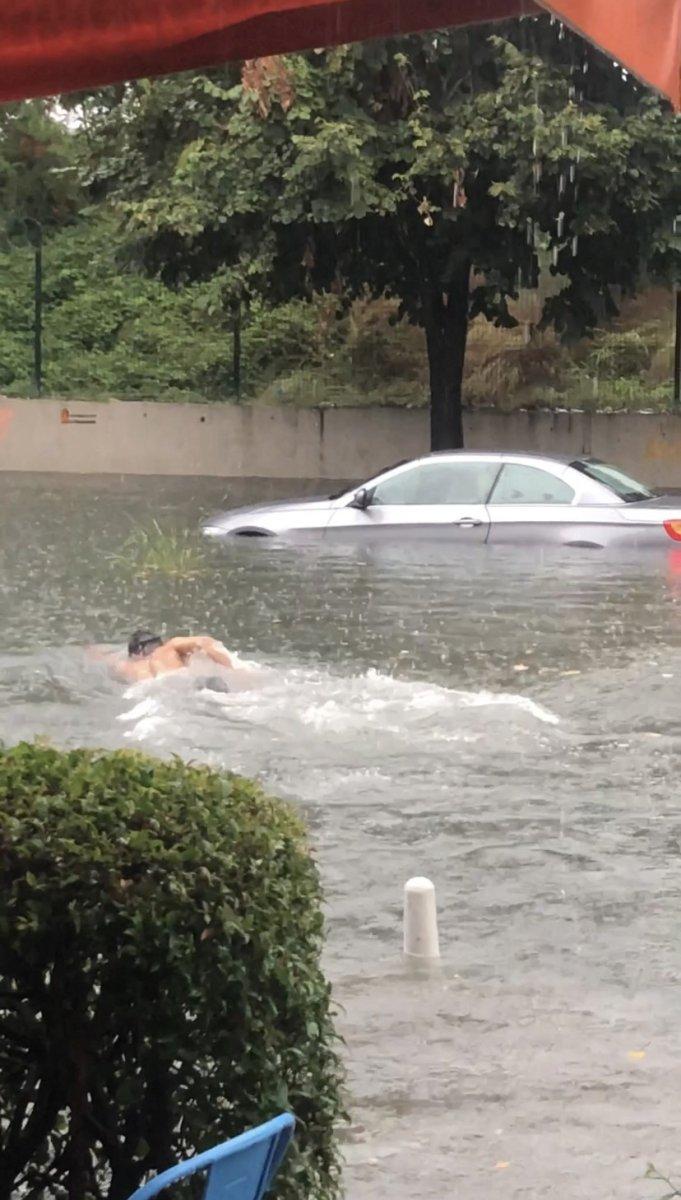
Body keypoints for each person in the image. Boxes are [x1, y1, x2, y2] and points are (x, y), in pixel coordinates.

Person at [108, 629, 236, 683]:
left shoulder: (126, 667)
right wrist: (233, 670)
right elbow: (203, 642)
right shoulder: (168, 649)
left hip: (152, 692)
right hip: (185, 684)